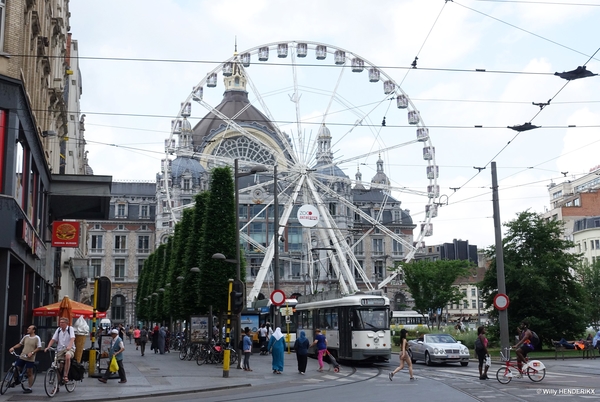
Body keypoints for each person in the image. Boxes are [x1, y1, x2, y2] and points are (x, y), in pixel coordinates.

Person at [9, 324, 42, 394]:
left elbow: (39, 347)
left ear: (33, 330)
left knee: (29, 372)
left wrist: (32, 352)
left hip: (30, 358)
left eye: (29, 328)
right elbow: (20, 344)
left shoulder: (37, 338)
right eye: (28, 328)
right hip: (22, 356)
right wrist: (13, 348)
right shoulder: (26, 337)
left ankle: (29, 388)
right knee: (15, 368)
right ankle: (17, 380)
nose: (28, 329)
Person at [45, 317, 75, 384]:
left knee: (67, 356)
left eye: (62, 322)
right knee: (58, 367)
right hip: (60, 350)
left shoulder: (70, 329)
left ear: (66, 323)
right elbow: (53, 339)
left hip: (69, 349)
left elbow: (72, 338)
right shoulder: (58, 330)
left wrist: (70, 346)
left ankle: (65, 375)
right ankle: (57, 385)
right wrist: (48, 347)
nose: (61, 324)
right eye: (60, 322)